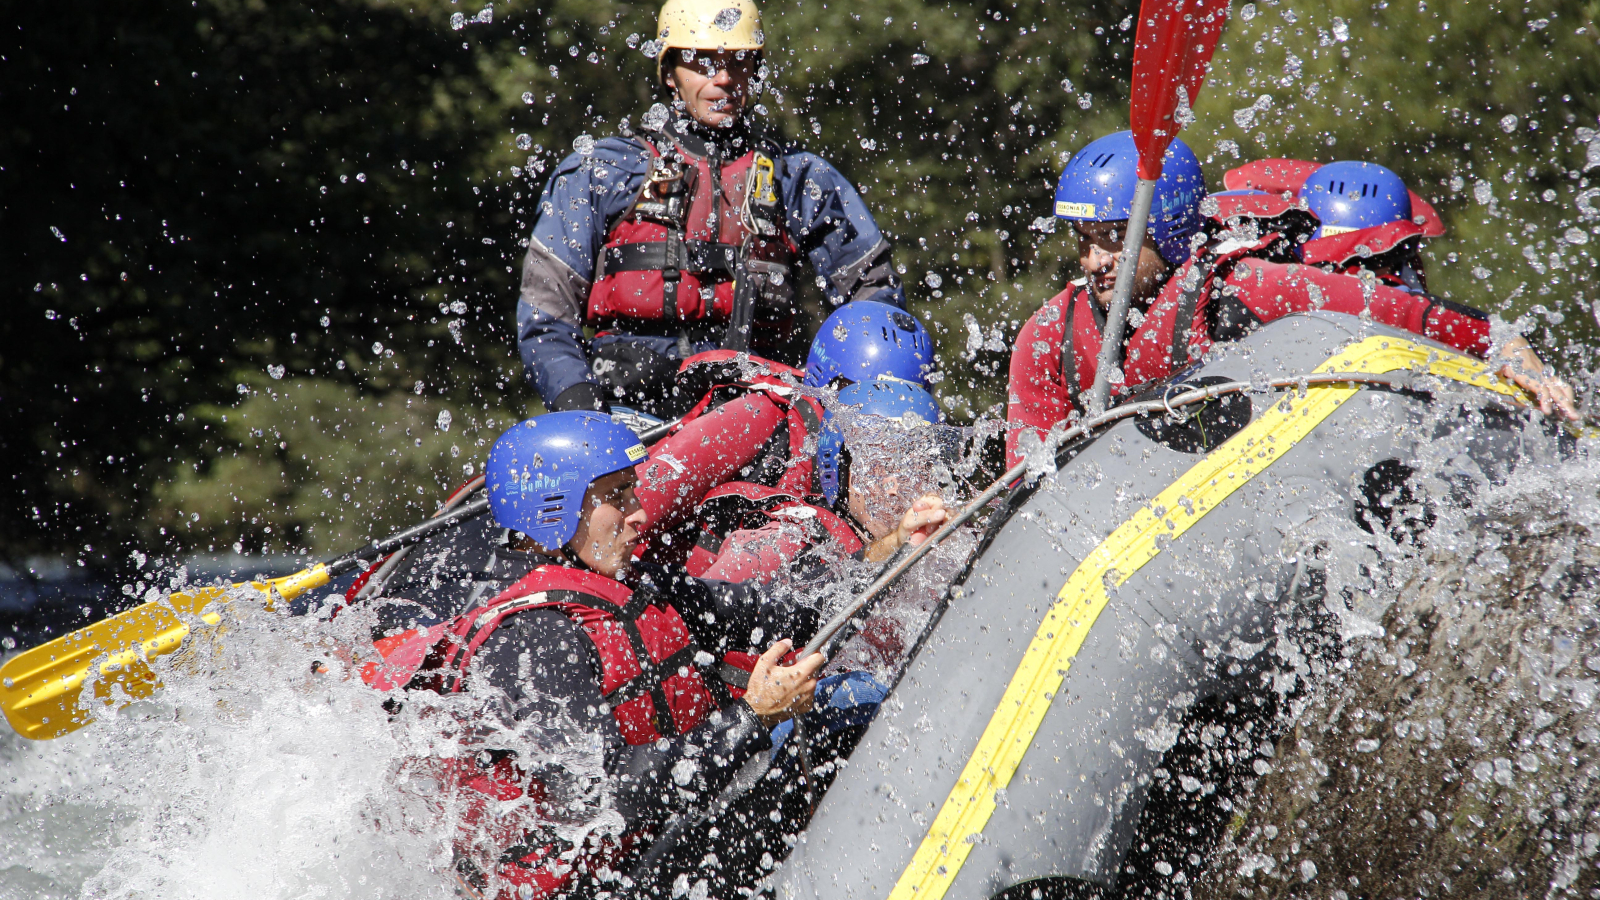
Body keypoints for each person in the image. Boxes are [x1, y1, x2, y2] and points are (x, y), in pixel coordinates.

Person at [365, 412, 846, 899]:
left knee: (845, 702)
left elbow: (771, 614)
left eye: (632, 492)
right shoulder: (534, 639)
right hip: (592, 883)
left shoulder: (635, 584)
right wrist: (751, 716)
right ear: (555, 508)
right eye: (617, 497)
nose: (638, 512)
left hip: (652, 848)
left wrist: (893, 552)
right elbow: (606, 797)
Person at [1006, 133, 1578, 468]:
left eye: (1113, 241)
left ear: (1169, 228)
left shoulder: (1245, 288)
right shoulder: (1049, 337)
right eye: (1084, 243)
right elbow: (1028, 476)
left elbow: (1409, 315)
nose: (1095, 262)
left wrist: (1511, 357)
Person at [515, 0, 906, 419]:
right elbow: (545, 315)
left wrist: (861, 399)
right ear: (669, 74)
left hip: (759, 415)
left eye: (737, 63)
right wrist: (580, 407)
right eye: (703, 64)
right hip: (626, 412)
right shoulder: (603, 171)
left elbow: (876, 308)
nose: (723, 79)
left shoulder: (799, 181)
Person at [628, 301, 936, 565]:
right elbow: (634, 511)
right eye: (876, 398)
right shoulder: (757, 417)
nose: (887, 421)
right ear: (833, 385)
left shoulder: (872, 461)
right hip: (694, 587)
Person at [684, 379, 954, 586]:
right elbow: (712, 608)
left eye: (917, 470)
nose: (896, 489)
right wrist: (894, 545)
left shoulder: (940, 553)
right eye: (879, 468)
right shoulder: (790, 538)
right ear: (839, 469)